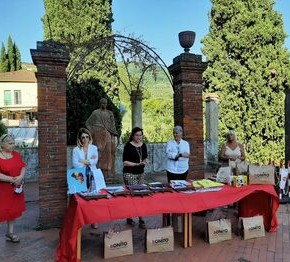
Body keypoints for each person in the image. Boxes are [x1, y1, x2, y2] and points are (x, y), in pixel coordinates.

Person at [72, 128, 106, 229]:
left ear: (89, 138)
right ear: (80, 139)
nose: (85, 139)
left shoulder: (94, 148)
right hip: (78, 174)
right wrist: (88, 161)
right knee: (80, 197)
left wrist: (82, 160)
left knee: (93, 197)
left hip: (92, 174)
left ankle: (94, 220)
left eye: (87, 137)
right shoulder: (75, 150)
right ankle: (80, 220)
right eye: (83, 137)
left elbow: (95, 161)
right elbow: (75, 164)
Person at [0, 134, 26, 243]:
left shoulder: (16, 154)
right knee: (2, 210)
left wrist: (20, 177)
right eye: (10, 143)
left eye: (13, 143)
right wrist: (11, 179)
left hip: (15, 188)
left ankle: (10, 233)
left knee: (12, 210)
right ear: (2, 144)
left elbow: (23, 166)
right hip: (3, 189)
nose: (12, 145)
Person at [86, 98, 119, 181]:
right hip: (98, 136)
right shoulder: (95, 113)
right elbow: (88, 123)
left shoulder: (110, 113)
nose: (104, 104)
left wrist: (115, 134)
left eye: (106, 103)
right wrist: (92, 131)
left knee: (109, 153)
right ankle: (99, 173)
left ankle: (109, 173)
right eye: (103, 103)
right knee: (99, 154)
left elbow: (113, 125)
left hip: (109, 135)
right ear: (100, 104)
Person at [123, 127, 149, 229]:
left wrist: (146, 161)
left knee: (140, 195)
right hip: (130, 174)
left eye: (140, 135)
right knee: (132, 196)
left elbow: (145, 157)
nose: (139, 137)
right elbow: (125, 162)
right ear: (133, 136)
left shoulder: (144, 145)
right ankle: (129, 216)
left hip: (140, 173)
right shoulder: (128, 146)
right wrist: (138, 164)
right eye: (137, 135)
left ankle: (141, 217)